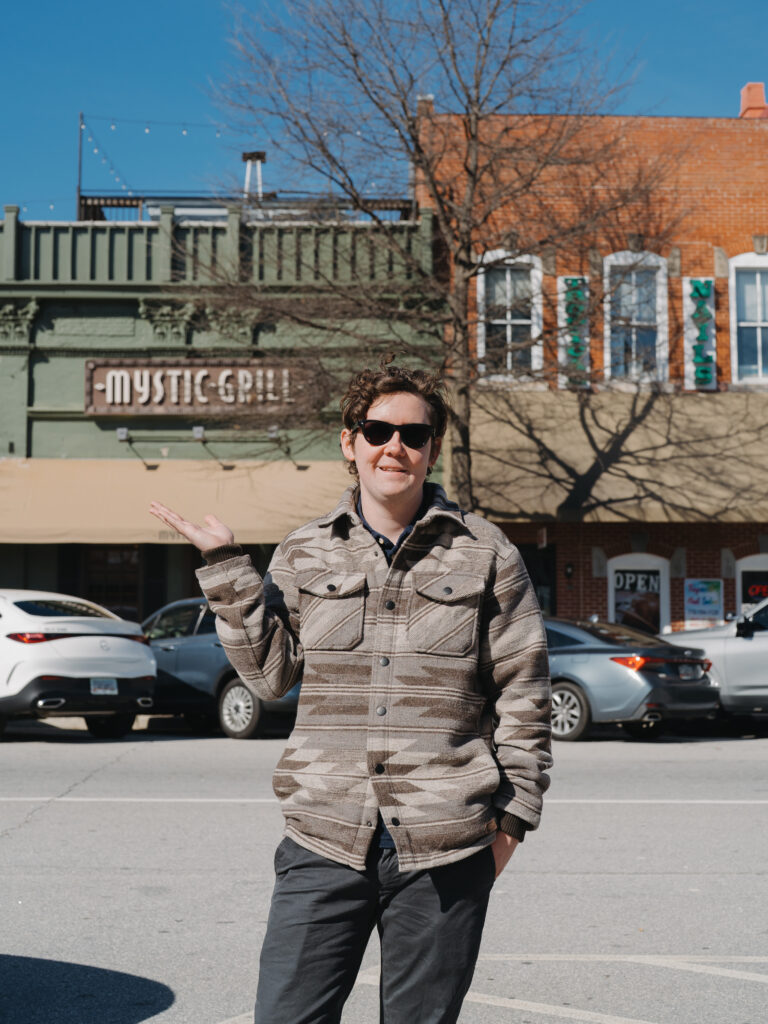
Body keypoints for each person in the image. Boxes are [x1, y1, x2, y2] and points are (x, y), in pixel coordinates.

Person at [149, 363, 552, 1024]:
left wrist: (510, 826)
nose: (395, 446)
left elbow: (524, 695)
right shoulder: (304, 553)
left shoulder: (488, 554)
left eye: (413, 435)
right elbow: (268, 675)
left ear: (431, 449)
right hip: (323, 838)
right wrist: (225, 568)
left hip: (445, 849)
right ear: (350, 443)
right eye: (377, 430)